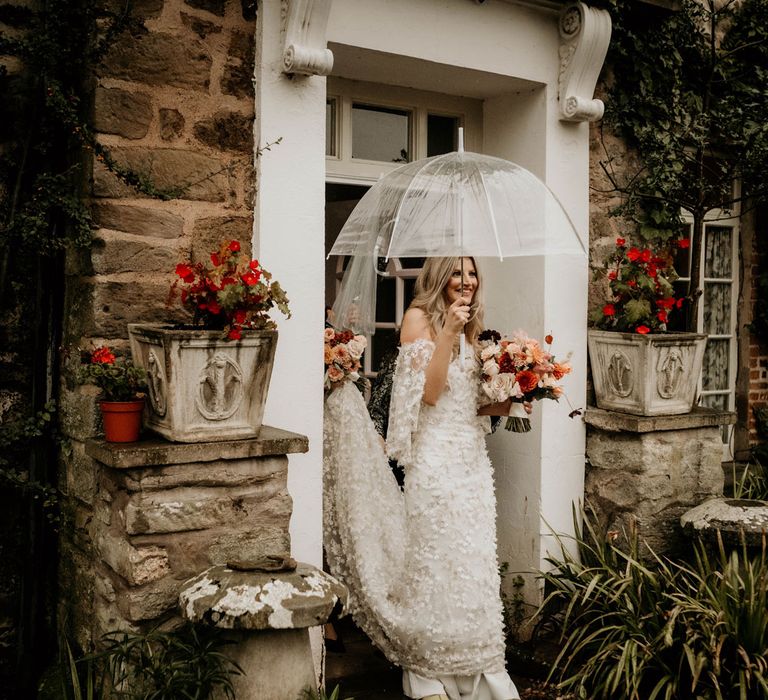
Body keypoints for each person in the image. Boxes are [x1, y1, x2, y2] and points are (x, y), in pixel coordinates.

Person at [323, 257, 522, 700]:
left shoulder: (477, 331)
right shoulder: (418, 320)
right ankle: (429, 668)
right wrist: (448, 332)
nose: (466, 282)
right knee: (435, 560)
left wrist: (514, 393)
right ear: (439, 278)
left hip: (472, 461)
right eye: (457, 273)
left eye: (472, 274)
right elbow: (427, 396)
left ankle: (480, 668)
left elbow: (473, 405)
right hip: (433, 461)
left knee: (472, 564)